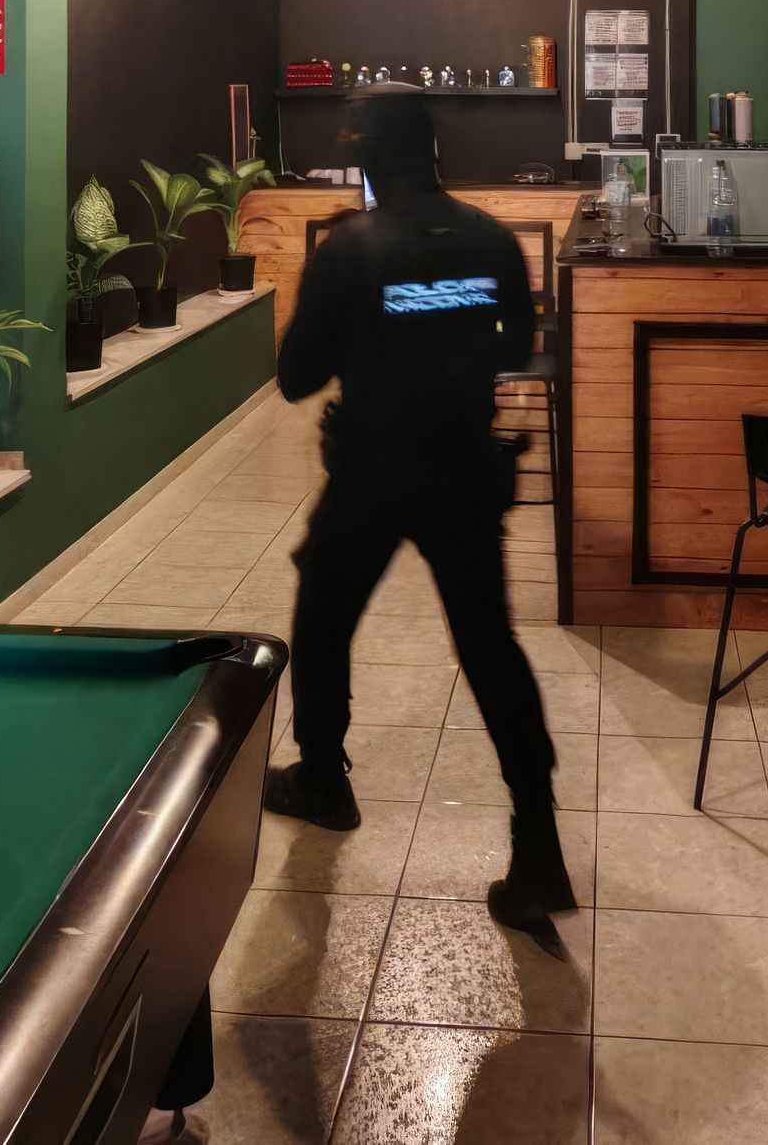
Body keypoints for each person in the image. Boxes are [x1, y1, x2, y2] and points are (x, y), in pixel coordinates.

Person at [263, 87, 576, 952]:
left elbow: (294, 378)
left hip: (371, 472)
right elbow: (516, 348)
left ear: (367, 155)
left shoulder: (348, 248)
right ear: (433, 150)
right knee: (491, 648)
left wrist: (344, 311)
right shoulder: (491, 237)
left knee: (323, 619)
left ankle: (323, 779)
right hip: (465, 470)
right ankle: (537, 842)